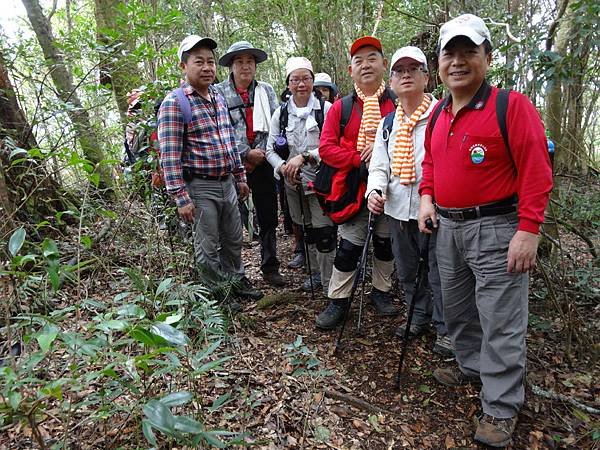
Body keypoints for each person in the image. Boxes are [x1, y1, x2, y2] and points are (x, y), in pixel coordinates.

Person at [418, 15, 552, 447]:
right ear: (438, 63)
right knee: (457, 309)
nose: (457, 62)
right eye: (449, 54)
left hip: (497, 227)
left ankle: (500, 406)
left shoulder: (510, 106)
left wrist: (529, 229)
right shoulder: (439, 111)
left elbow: (536, 169)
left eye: (468, 52)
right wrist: (425, 197)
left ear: (487, 59)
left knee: (501, 319)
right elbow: (431, 163)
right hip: (448, 229)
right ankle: (471, 365)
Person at [158, 35, 263, 302]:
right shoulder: (174, 103)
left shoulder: (217, 95)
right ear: (184, 66)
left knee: (233, 238)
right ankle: (219, 294)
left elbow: (229, 139)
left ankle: (236, 281)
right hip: (200, 186)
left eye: (210, 62)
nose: (206, 67)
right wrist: (182, 198)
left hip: (226, 181)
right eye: (199, 62)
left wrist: (239, 177)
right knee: (207, 245)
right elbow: (169, 157)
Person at [367, 46, 452, 356]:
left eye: (412, 69)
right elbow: (378, 166)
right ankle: (417, 317)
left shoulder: (443, 114)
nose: (405, 75)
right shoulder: (388, 124)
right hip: (398, 209)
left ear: (426, 77)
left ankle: (446, 329)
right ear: (391, 81)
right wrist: (374, 191)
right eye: (399, 70)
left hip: (435, 210)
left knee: (440, 272)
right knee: (407, 271)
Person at [315, 36, 399, 329]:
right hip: (353, 190)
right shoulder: (341, 108)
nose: (366, 65)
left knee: (385, 243)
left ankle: (382, 292)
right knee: (349, 246)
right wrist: (358, 158)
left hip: (392, 190)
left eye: (372, 58)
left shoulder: (398, 104)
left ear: (384, 65)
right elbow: (325, 148)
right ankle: (338, 300)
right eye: (359, 61)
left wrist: (380, 154)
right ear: (350, 70)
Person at [216, 41, 285, 287]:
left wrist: (260, 154)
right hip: (232, 163)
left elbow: (276, 124)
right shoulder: (218, 93)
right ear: (231, 67)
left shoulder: (265, 91)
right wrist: (245, 154)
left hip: (264, 160)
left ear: (255, 66)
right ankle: (235, 274)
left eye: (250, 62)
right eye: (239, 62)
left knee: (268, 215)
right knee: (231, 219)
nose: (245, 67)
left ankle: (270, 266)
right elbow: (218, 130)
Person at [266, 57, 336, 296]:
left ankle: (330, 283)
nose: (301, 84)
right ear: (288, 83)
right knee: (305, 229)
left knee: (324, 231)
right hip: (292, 183)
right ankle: (315, 273)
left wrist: (305, 156)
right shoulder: (281, 113)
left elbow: (332, 144)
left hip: (320, 180)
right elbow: (270, 149)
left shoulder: (326, 110)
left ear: (313, 81)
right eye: (295, 79)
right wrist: (283, 167)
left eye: (305, 78)